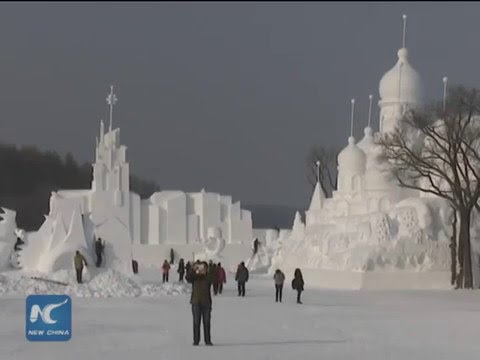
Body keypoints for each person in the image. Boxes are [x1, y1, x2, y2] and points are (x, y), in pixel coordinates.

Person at [186, 260, 214, 346]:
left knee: (207, 322)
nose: (201, 269)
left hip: (206, 303)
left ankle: (207, 340)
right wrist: (192, 269)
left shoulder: (207, 277)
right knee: (196, 322)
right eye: (200, 267)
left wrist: (208, 270)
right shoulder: (194, 277)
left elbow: (213, 279)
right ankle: (196, 340)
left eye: (203, 267)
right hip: (196, 302)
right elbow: (188, 278)